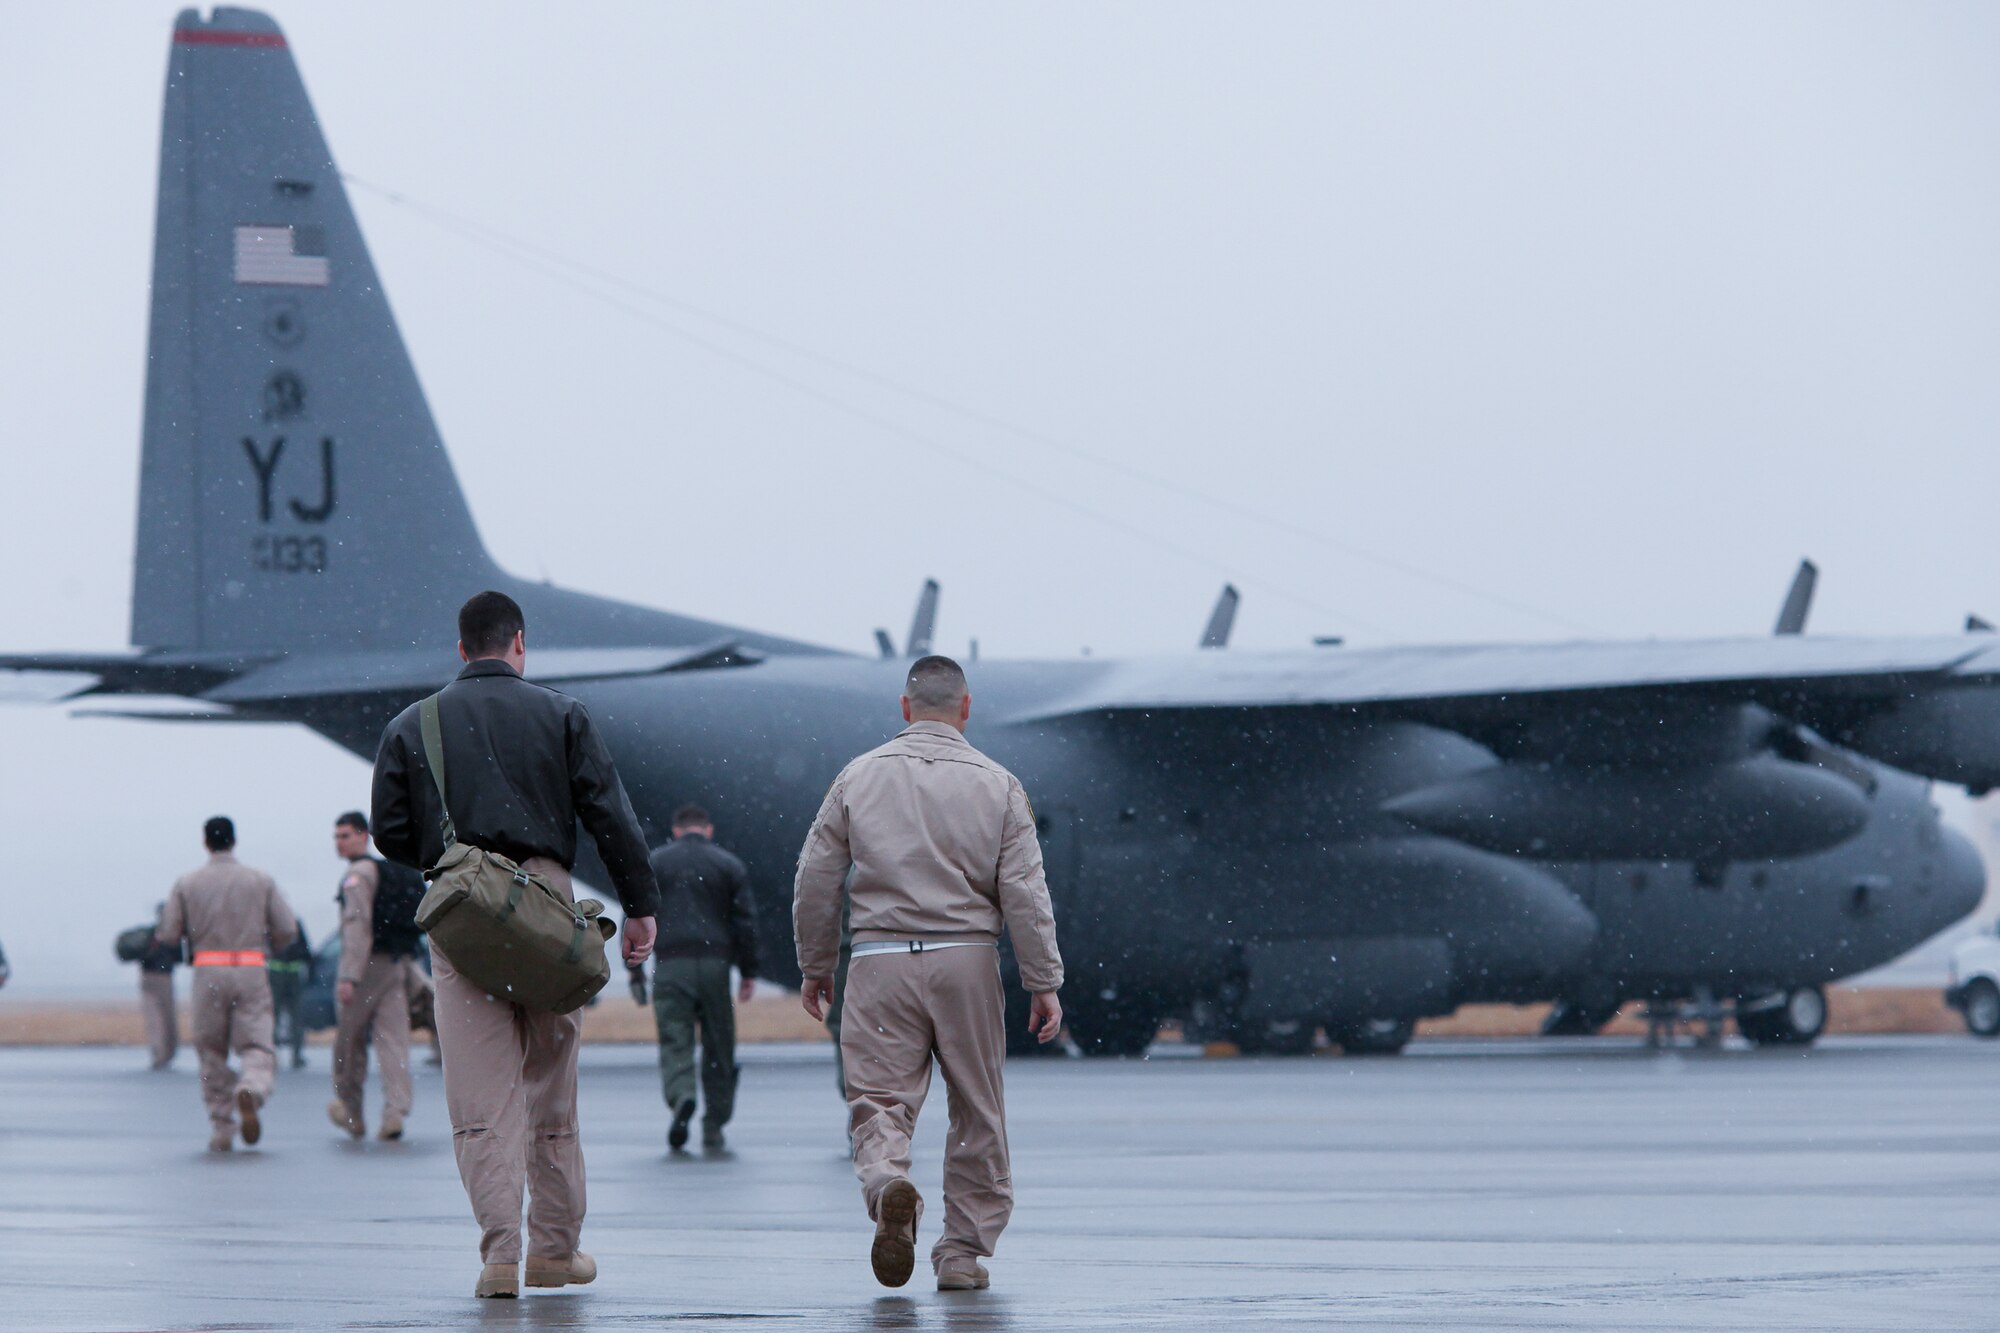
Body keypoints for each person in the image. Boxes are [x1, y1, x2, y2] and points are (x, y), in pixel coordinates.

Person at [371, 590, 659, 1300]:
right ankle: (555, 1250)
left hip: (463, 907)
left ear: (462, 648)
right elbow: (608, 812)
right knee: (551, 1086)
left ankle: (500, 1255)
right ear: (519, 644)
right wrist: (642, 903)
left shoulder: (413, 724)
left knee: (481, 1095)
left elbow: (387, 828)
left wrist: (452, 863)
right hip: (547, 902)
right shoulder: (563, 714)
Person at [793, 655, 1065, 1293]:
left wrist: (815, 965)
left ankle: (890, 1184)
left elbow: (815, 877)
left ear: (904, 707)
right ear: (966, 709)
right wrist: (1042, 980)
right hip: (965, 958)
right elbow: (1025, 891)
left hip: (880, 958)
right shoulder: (998, 784)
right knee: (977, 1107)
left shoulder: (856, 778)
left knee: (879, 1101)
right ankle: (962, 1255)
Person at [156, 816, 300, 1153]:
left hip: (207, 971)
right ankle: (252, 1087)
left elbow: (168, 932)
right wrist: (268, 942)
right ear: (234, 841)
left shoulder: (187, 882)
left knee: (211, 1052)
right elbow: (287, 928)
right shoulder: (260, 880)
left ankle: (223, 1126)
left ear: (206, 843)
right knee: (257, 1045)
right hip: (251, 969)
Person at [627, 804, 759, 1154]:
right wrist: (748, 971)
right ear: (708, 830)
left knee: (675, 1040)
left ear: (676, 829)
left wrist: (635, 970)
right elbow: (745, 924)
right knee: (719, 1045)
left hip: (671, 964)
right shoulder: (728, 864)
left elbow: (637, 916)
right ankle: (714, 1123)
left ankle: (682, 1096)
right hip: (716, 964)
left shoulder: (656, 862)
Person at [327, 811, 418, 1141]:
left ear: (363, 835)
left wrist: (348, 976)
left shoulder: (358, 875)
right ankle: (395, 1111)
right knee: (393, 1042)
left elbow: (356, 926)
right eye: (337, 836)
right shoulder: (389, 870)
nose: (339, 843)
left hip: (365, 966)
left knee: (348, 1044)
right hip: (396, 963)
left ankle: (352, 1112)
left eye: (345, 835)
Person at [137, 905, 182, 1069]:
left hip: (150, 977)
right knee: (163, 1018)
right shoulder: (169, 936)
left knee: (157, 1018)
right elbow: (180, 957)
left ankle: (162, 1053)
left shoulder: (149, 934)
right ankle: (163, 1053)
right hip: (162, 979)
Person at [267, 922, 313, 1070]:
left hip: (287, 976)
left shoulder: (290, 924)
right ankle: (274, 1056)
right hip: (281, 976)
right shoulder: (291, 924)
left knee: (289, 1017)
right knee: (277, 1017)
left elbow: (305, 952)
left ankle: (294, 1056)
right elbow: (306, 952)